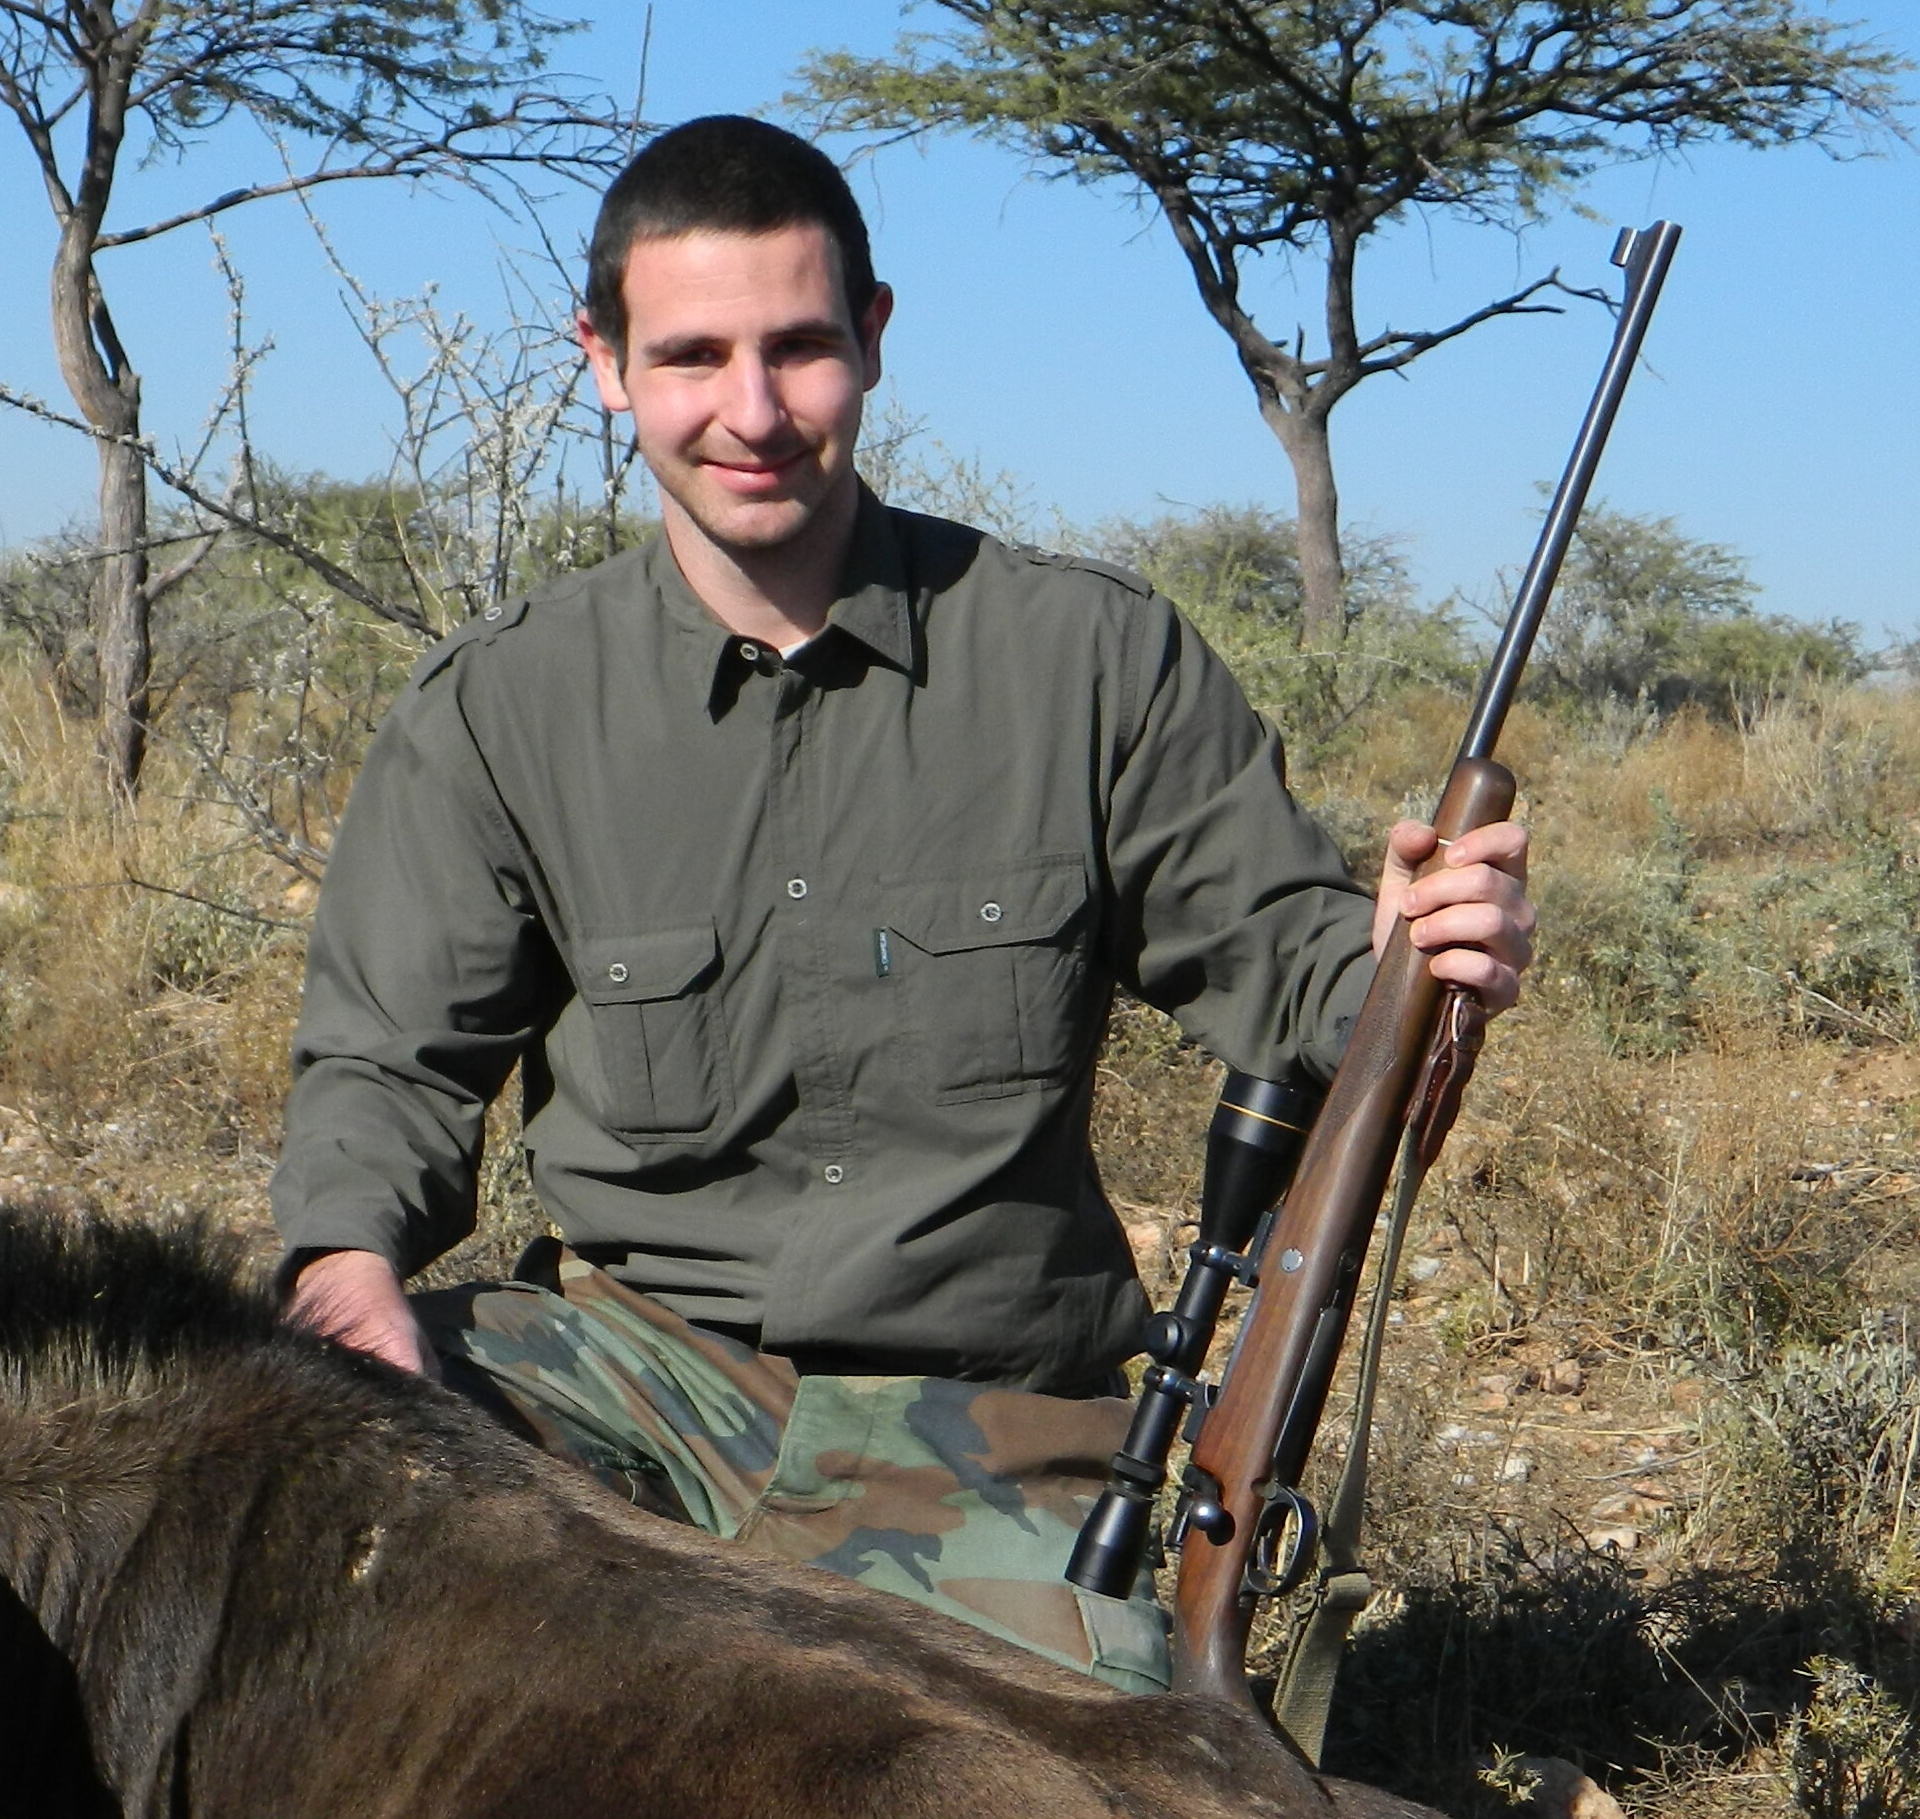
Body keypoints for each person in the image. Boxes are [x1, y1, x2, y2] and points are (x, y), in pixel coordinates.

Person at [269, 116, 1534, 1690]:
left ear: (872, 340)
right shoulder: (496, 709)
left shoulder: (1091, 661)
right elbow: (388, 1071)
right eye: (692, 357)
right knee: (255, 1482)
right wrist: (345, 1276)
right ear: (603, 362)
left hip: (995, 1419)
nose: (750, 413)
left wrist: (1418, 957)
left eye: (798, 348)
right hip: (620, 1388)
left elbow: (1295, 972)